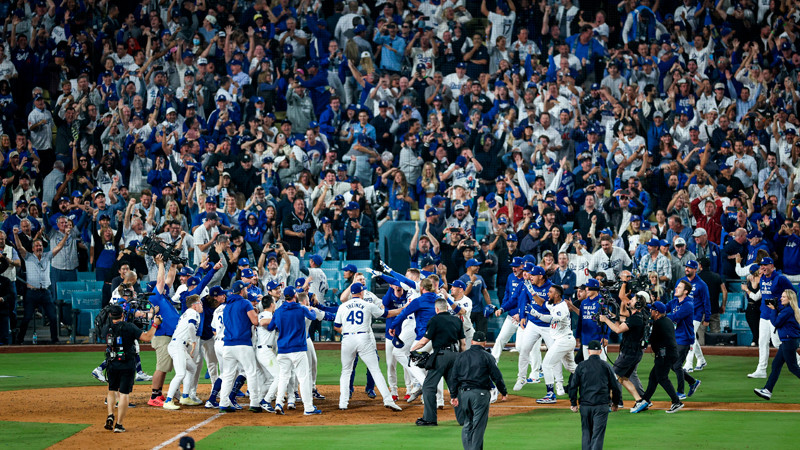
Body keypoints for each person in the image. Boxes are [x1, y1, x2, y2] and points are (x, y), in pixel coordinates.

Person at [334, 282, 403, 411]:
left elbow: (336, 326)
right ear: (361, 293)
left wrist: (348, 332)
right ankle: (388, 400)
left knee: (346, 371)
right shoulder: (367, 305)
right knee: (375, 370)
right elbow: (387, 314)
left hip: (348, 338)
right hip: (363, 338)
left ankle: (342, 403)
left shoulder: (342, 306)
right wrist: (402, 310)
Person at [103, 304, 161, 433]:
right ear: (122, 315)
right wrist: (155, 324)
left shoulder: (106, 328)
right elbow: (147, 337)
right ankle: (119, 424)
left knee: (112, 389)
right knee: (123, 393)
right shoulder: (129, 327)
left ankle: (110, 415)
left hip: (111, 363)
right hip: (126, 364)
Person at [409, 294, 466, 426]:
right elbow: (462, 344)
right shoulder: (457, 320)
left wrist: (412, 350)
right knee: (455, 388)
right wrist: (461, 358)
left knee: (429, 386)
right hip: (455, 355)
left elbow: (424, 341)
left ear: (436, 309)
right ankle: (463, 419)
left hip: (441, 356)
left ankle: (430, 418)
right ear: (446, 307)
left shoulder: (434, 320)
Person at [267, 286, 322, 415]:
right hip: (298, 349)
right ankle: (308, 408)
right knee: (303, 378)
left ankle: (279, 403)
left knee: (283, 377)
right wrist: (310, 309)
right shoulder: (301, 308)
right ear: (295, 296)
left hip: (283, 350)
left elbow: (270, 327)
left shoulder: (279, 311)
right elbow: (313, 316)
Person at [450, 331, 508, 450]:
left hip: (464, 394)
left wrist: (454, 395)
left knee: (467, 424)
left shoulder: (461, 356)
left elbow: (454, 377)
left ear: (472, 342)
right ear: (485, 343)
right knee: (478, 426)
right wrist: (503, 391)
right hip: (480, 394)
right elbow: (497, 376)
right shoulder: (487, 356)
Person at [13, 228, 70, 344]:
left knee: (53, 317)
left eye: (40, 246)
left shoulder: (47, 256)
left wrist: (66, 236)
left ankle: (55, 340)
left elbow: (59, 247)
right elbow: (19, 247)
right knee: (27, 318)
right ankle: (19, 340)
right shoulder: (28, 257)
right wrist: (15, 235)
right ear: (33, 248)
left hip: (45, 293)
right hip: (31, 293)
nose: (39, 248)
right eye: (37, 246)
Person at [631, 301, 684, 414]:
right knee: (653, 377)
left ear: (657, 312)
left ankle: (676, 401)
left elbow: (650, 339)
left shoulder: (658, 323)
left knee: (662, 377)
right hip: (670, 353)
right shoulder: (667, 321)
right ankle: (645, 401)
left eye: (652, 310)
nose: (650, 312)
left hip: (664, 355)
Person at [217, 281, 262, 413]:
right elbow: (255, 321)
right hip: (243, 344)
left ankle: (224, 403)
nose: (247, 291)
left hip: (228, 345)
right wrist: (256, 314)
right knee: (251, 372)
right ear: (242, 291)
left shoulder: (227, 306)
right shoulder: (245, 303)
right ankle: (254, 403)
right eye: (246, 289)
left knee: (228, 375)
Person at [568, 340, 622, 450]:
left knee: (586, 433)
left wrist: (573, 403)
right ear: (601, 351)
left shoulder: (581, 366)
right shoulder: (606, 366)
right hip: (601, 406)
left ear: (588, 351)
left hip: (585, 405)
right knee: (598, 435)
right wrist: (615, 403)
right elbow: (616, 387)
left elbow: (573, 386)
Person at [529, 284, 577, 404]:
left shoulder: (562, 307)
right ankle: (595, 381)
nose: (547, 294)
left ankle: (550, 394)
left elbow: (551, 319)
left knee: (546, 365)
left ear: (557, 295)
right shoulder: (553, 304)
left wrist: (536, 314)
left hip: (564, 340)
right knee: (571, 367)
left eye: (550, 292)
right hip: (566, 339)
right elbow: (542, 303)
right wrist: (532, 292)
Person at [749, 257, 797, 379]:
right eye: (761, 265)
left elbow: (793, 292)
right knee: (762, 342)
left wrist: (784, 308)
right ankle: (761, 369)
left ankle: (798, 360)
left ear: (772, 265)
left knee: (777, 342)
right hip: (764, 314)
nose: (763, 267)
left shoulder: (780, 278)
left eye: (765, 265)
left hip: (776, 314)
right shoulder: (763, 278)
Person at [600, 291, 648, 409]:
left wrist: (606, 320)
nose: (630, 301)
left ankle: (610, 403)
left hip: (629, 353)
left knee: (612, 376)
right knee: (623, 378)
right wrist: (613, 316)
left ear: (638, 304)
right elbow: (622, 320)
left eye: (633, 300)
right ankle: (639, 400)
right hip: (634, 352)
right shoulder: (642, 316)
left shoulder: (636, 318)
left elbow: (618, 329)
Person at [753, 289, 800, 400]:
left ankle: (767, 390)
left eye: (783, 297)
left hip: (789, 342)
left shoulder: (788, 311)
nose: (781, 298)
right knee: (776, 365)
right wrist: (776, 309)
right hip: (787, 341)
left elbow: (776, 323)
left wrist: (773, 310)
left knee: (793, 368)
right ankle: (767, 390)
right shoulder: (788, 309)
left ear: (789, 299)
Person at [163, 295, 203, 410]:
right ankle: (168, 400)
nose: (202, 305)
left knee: (192, 368)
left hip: (179, 345)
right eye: (200, 303)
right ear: (194, 305)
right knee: (180, 373)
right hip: (177, 346)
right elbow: (191, 326)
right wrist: (194, 341)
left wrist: (190, 342)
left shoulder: (188, 313)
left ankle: (185, 397)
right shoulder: (192, 313)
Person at [666, 279, 702, 400]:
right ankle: (693, 382)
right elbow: (664, 308)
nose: (676, 288)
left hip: (685, 338)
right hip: (675, 338)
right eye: (677, 287)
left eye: (679, 287)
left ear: (686, 291)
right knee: (673, 365)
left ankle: (680, 392)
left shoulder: (688, 304)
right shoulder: (674, 302)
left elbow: (675, 317)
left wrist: (661, 315)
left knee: (676, 365)